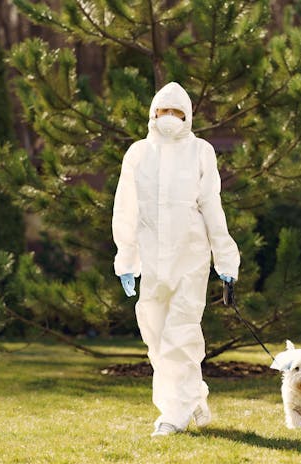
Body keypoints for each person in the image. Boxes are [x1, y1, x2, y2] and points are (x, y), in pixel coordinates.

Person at [112, 82, 240, 437]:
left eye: (177, 112)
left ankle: (173, 415)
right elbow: (125, 207)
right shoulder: (138, 153)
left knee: (181, 335)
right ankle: (193, 396)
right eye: (164, 111)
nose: (170, 118)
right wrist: (126, 257)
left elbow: (212, 206)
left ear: (188, 117)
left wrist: (226, 262)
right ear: (153, 114)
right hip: (152, 260)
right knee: (155, 337)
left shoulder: (200, 151)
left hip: (190, 258)